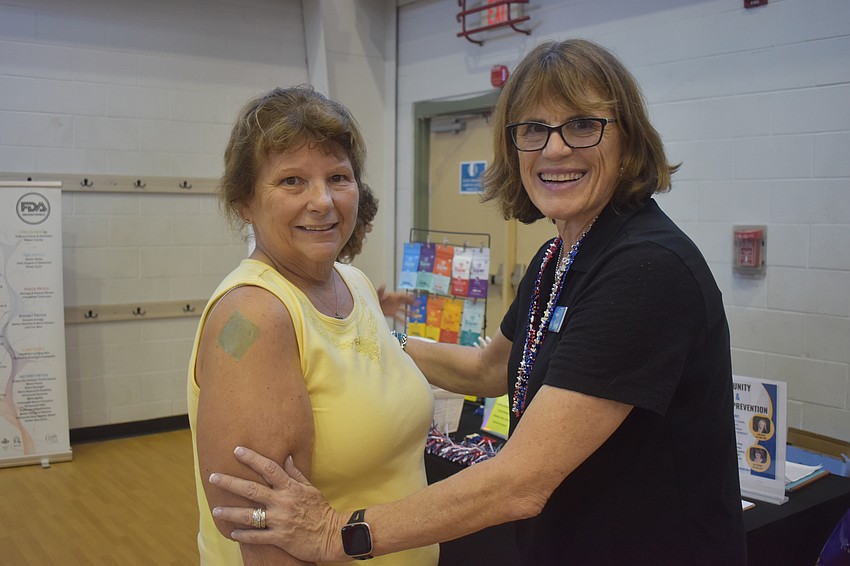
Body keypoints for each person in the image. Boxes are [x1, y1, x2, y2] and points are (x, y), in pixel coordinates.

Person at [208, 39, 748, 565]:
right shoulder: (558, 257)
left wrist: (337, 534)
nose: (555, 148)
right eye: (534, 130)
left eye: (582, 125)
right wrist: (364, 339)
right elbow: (492, 367)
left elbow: (521, 481)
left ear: (627, 139)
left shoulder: (645, 268)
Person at [187, 85, 439, 565]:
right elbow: (268, 543)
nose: (322, 200)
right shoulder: (254, 317)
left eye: (338, 177)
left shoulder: (352, 281)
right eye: (292, 181)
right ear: (244, 202)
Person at [337, 182, 411, 322]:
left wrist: (372, 309)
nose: (370, 228)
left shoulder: (339, 274)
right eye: (365, 221)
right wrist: (400, 342)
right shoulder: (320, 280)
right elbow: (351, 340)